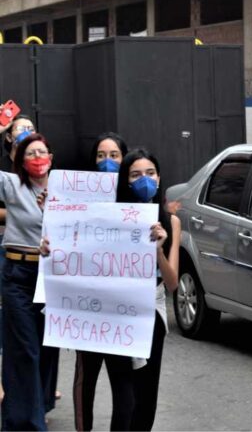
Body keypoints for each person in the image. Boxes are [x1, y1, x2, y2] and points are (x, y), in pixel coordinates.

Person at [115, 148, 179, 431]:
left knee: (146, 395)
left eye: (150, 173)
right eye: (136, 174)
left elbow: (173, 282)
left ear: (159, 177)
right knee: (124, 397)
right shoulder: (111, 218)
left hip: (150, 312)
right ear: (126, 181)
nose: (144, 180)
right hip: (115, 313)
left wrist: (158, 251)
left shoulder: (171, 222)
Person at [72, 132, 132, 431]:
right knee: (86, 380)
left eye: (114, 156)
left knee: (123, 381)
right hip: (87, 307)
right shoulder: (77, 199)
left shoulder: (136, 200)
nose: (107, 162)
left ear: (124, 159)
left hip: (121, 309)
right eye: (100, 156)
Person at [0, 133, 59, 430]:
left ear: (51, 156)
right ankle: (27, 423)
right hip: (17, 275)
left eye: (42, 152)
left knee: (48, 346)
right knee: (25, 348)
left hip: (51, 276)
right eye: (30, 153)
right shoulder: (12, 185)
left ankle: (40, 405)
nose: (37, 158)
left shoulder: (65, 190)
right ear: (20, 160)